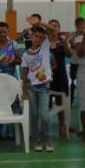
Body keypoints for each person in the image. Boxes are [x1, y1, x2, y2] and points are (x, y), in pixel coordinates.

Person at [22, 19, 57, 152]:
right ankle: (37, 139)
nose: (38, 39)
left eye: (41, 38)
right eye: (36, 36)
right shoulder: (26, 54)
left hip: (44, 87)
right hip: (31, 88)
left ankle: (47, 139)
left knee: (44, 114)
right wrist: (24, 91)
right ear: (31, 36)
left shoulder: (45, 48)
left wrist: (40, 22)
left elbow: (53, 31)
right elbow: (24, 74)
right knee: (34, 114)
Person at [48, 19, 72, 137]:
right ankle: (44, 127)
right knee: (45, 102)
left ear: (58, 28)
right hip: (46, 77)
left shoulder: (62, 42)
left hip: (60, 75)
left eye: (55, 26)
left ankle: (62, 125)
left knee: (60, 102)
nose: (53, 27)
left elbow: (69, 55)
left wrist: (66, 42)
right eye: (51, 25)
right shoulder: (43, 41)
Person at [68, 17, 85, 105]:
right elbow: (72, 46)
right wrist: (78, 35)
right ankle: (71, 100)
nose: (82, 27)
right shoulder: (72, 34)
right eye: (80, 25)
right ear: (76, 25)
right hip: (75, 62)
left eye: (83, 25)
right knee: (72, 82)